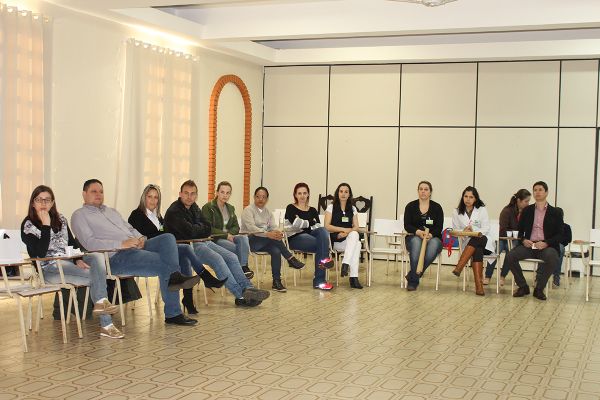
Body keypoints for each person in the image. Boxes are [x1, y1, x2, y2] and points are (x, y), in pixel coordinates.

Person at [71, 179, 200, 326]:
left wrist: (141, 237)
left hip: (136, 246)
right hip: (115, 256)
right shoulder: (79, 216)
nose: (98, 194)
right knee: (166, 264)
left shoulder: (111, 211)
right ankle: (174, 312)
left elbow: (130, 228)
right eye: (94, 191)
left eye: (101, 191)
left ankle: (175, 277)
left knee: (168, 238)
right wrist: (121, 244)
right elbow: (90, 243)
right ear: (84, 194)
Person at [21, 185, 123, 339]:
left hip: (68, 262)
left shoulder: (61, 219)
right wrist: (46, 225)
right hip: (49, 268)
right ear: (33, 203)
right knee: (97, 276)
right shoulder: (28, 225)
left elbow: (72, 244)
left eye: (47, 200)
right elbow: (40, 254)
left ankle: (101, 305)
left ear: (52, 202)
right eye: (39, 199)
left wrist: (78, 259)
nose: (43, 203)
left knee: (97, 257)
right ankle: (106, 323)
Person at [164, 180, 270, 307]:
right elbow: (191, 232)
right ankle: (240, 296)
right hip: (187, 247)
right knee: (218, 259)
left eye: (192, 194)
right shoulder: (174, 211)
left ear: (196, 195)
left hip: (203, 241)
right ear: (180, 194)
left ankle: (249, 288)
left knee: (232, 257)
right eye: (186, 193)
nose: (189, 197)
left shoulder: (194, 207)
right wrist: (199, 228)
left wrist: (199, 229)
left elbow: (207, 227)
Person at [128, 184, 227, 314]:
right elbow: (140, 236)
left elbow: (165, 233)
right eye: (149, 197)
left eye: (156, 197)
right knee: (184, 248)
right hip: (147, 251)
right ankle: (205, 278)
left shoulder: (158, 216)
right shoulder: (136, 215)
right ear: (143, 198)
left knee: (185, 253)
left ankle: (188, 299)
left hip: (163, 249)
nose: (153, 200)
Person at [505, 181, 564, 301]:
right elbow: (519, 231)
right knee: (510, 256)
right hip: (529, 245)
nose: (537, 192)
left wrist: (546, 243)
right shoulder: (527, 210)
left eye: (540, 189)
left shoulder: (555, 212)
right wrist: (523, 240)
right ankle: (523, 286)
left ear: (546, 192)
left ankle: (539, 288)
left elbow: (560, 234)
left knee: (553, 257)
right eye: (535, 190)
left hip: (546, 246)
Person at [241, 187, 305, 292]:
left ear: (267, 199)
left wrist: (278, 232)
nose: (261, 199)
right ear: (254, 197)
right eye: (258, 197)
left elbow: (273, 227)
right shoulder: (248, 210)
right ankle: (290, 258)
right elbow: (252, 228)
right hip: (249, 241)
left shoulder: (268, 213)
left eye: (263, 197)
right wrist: (268, 234)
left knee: (276, 250)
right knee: (273, 238)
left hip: (265, 241)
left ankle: (276, 281)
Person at [284, 183, 334, 290]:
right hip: (295, 238)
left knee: (323, 230)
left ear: (308, 194)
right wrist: (310, 222)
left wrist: (304, 224)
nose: (302, 196)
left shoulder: (313, 210)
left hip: (310, 235)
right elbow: (295, 223)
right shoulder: (290, 207)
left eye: (304, 193)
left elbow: (317, 226)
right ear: (295, 195)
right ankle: (320, 279)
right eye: (299, 193)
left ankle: (320, 275)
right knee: (322, 245)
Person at [201, 181, 253, 279]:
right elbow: (208, 228)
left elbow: (236, 227)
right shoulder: (208, 207)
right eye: (222, 192)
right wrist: (226, 235)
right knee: (238, 249)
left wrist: (230, 235)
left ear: (230, 194)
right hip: (215, 239)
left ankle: (243, 267)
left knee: (244, 238)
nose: (225, 195)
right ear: (217, 192)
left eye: (228, 193)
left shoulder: (230, 208)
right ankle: (241, 272)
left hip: (229, 237)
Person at [451, 186, 495, 296]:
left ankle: (459, 266)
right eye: (466, 196)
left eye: (471, 197)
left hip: (485, 244)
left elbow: (486, 228)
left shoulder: (482, 210)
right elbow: (455, 230)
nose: (468, 199)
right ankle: (479, 287)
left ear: (475, 199)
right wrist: (464, 231)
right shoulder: (456, 212)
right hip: (468, 244)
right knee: (477, 250)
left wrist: (473, 231)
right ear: (462, 197)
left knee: (479, 238)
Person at [484, 189, 531, 286]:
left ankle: (503, 276)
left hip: (517, 240)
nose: (528, 204)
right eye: (526, 201)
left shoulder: (527, 212)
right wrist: (514, 233)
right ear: (518, 200)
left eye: (528, 201)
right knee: (496, 250)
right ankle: (488, 276)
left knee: (511, 251)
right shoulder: (507, 211)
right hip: (503, 238)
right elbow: (502, 230)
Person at [403, 181, 443, 291]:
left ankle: (413, 276)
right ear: (418, 191)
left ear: (430, 192)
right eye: (421, 189)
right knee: (416, 242)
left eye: (426, 189)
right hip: (414, 237)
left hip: (432, 238)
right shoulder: (410, 206)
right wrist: (418, 232)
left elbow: (439, 227)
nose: (423, 191)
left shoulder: (437, 207)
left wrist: (430, 234)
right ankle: (414, 281)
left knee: (434, 244)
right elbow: (407, 225)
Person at [324, 183, 364, 289]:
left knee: (356, 238)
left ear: (349, 194)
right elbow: (327, 226)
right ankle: (353, 277)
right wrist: (343, 230)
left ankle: (345, 264)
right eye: (341, 191)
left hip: (348, 240)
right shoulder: (331, 207)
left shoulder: (353, 208)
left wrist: (346, 232)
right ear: (337, 193)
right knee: (357, 244)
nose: (343, 194)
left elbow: (356, 227)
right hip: (335, 240)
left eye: (346, 192)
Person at [552, 207, 571, 288]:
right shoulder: (549, 226)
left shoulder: (566, 227)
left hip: (559, 245)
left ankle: (556, 276)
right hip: (549, 244)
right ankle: (540, 276)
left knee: (560, 248)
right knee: (541, 248)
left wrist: (557, 240)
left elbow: (568, 239)